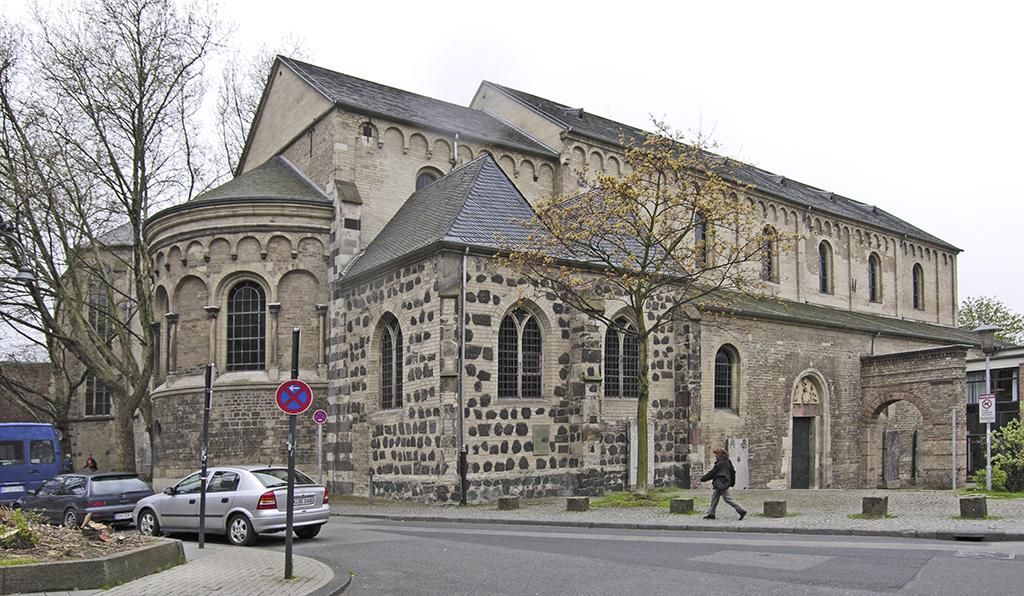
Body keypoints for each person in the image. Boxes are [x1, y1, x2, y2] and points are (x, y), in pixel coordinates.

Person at [700, 447, 747, 520]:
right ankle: (711, 514)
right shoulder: (728, 461)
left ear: (720, 454)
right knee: (714, 497)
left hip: (720, 483)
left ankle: (742, 510)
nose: (715, 456)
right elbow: (733, 472)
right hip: (725, 482)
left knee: (727, 498)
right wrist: (732, 482)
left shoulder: (719, 463)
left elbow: (712, 473)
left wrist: (703, 479)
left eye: (716, 454)